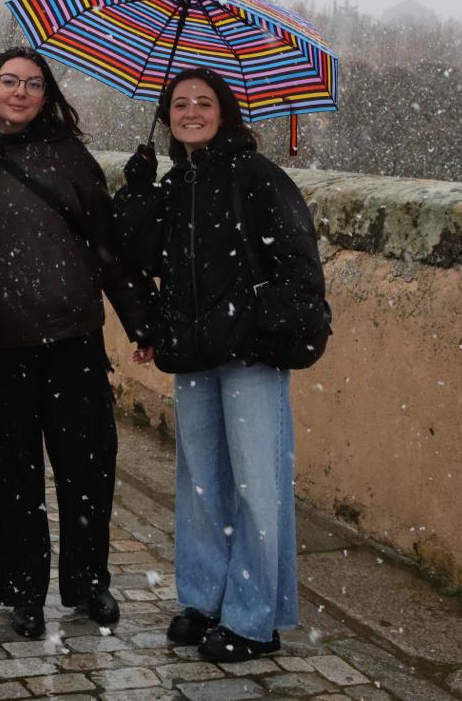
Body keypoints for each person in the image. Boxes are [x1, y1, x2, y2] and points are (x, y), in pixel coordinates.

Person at [112, 66, 324, 662]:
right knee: (201, 484)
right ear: (167, 116)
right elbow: (143, 254)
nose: (191, 112)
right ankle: (204, 599)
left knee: (258, 487)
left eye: (204, 103)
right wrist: (138, 191)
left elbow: (299, 266)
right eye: (180, 104)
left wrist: (255, 322)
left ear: (224, 113)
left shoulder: (257, 176)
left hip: (249, 354)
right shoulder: (179, 181)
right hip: (195, 354)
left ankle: (255, 619)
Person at [0, 47, 156, 639]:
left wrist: (139, 319)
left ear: (47, 95)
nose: (20, 92)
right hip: (1, 345)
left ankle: (89, 581)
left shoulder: (71, 158)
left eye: (33, 84)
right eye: (9, 81)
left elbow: (106, 246)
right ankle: (22, 591)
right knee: (7, 473)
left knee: (87, 466)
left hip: (72, 340)